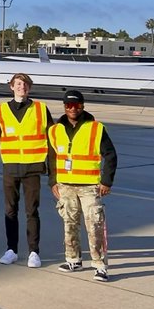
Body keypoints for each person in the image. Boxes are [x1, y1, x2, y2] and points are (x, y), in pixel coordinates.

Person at [48, 89, 118, 282]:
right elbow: (52, 158)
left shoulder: (96, 128)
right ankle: (73, 259)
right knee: (69, 223)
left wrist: (106, 181)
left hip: (89, 186)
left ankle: (100, 265)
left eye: (76, 105)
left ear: (83, 106)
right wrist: (52, 181)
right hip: (66, 185)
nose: (72, 108)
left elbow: (111, 155)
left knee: (94, 225)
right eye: (69, 105)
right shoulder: (55, 130)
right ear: (64, 107)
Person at [0, 72, 54, 268]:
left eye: (25, 84)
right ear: (11, 87)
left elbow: (52, 138)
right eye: (18, 84)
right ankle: (11, 249)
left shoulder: (41, 109)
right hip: (10, 167)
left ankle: (33, 251)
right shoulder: (0, 111)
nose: (22, 87)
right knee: (10, 210)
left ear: (30, 87)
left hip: (33, 167)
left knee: (31, 211)